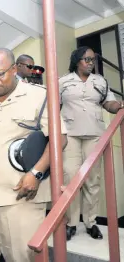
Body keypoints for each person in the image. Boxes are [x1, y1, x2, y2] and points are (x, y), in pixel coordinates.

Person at [0, 48, 68, 262]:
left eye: (0, 73)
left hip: (21, 195)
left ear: (14, 69)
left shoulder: (40, 96)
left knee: (22, 258)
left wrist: (36, 173)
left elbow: (59, 139)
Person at [60, 46, 124, 241]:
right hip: (70, 135)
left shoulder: (100, 81)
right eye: (86, 59)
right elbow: (53, 107)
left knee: (92, 180)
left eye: (92, 60)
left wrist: (119, 105)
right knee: (71, 179)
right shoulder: (63, 81)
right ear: (77, 60)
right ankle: (71, 223)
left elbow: (109, 104)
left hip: (95, 135)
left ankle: (90, 222)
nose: (90, 63)